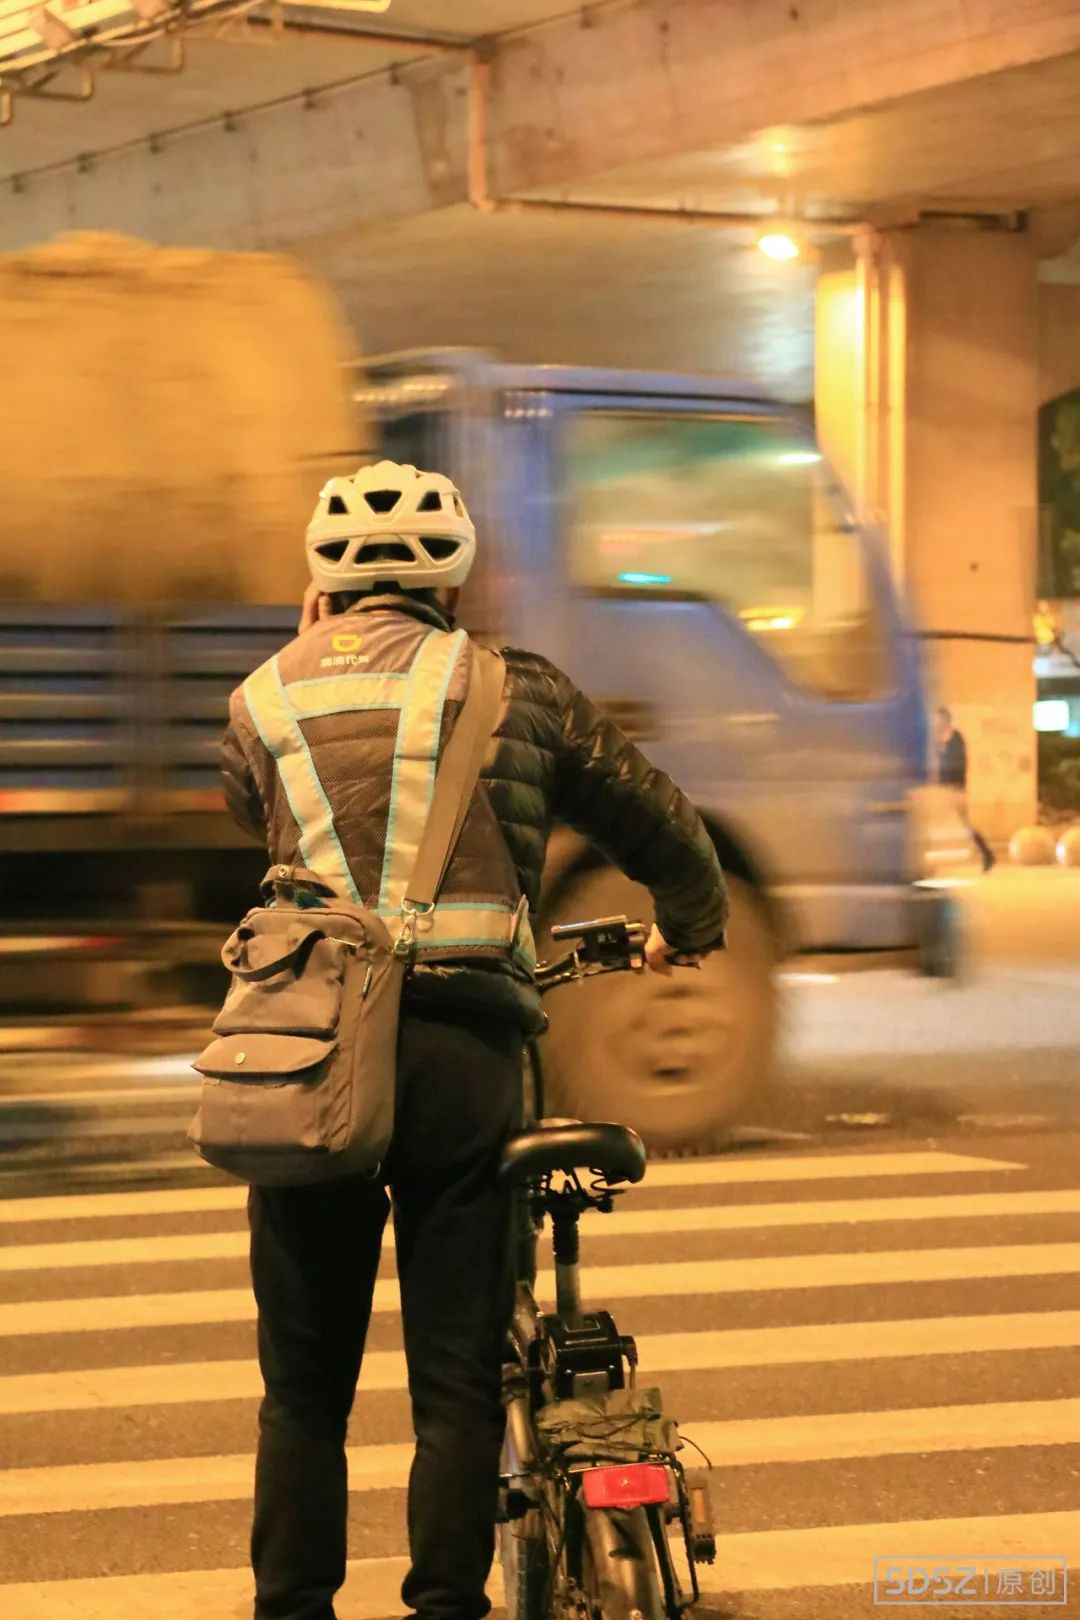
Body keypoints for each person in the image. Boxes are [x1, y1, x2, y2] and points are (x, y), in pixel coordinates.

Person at [220, 459, 729, 1620]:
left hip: (313, 1063)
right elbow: (661, 823)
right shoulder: (518, 690)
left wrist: (308, 655)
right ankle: (447, 1603)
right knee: (457, 1378)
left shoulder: (260, 700)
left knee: (302, 1388)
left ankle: (291, 1606)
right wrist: (688, 927)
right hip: (462, 1057)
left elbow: (269, 825)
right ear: (459, 575)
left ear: (322, 581)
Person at [934, 705, 995, 873]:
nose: (936, 723)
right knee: (930, 824)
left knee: (965, 825)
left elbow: (958, 763)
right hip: (939, 789)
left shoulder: (956, 739)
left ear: (946, 720)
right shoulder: (935, 740)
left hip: (955, 788)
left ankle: (987, 854)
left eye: (939, 720)